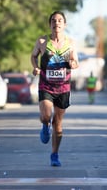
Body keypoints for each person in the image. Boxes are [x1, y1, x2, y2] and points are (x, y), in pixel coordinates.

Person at [30, 10, 79, 166]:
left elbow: (76, 62)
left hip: (63, 88)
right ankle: (45, 125)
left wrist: (73, 64)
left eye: (59, 20)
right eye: (53, 20)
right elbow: (33, 56)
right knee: (46, 116)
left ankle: (54, 154)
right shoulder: (42, 42)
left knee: (58, 124)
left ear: (64, 25)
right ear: (50, 24)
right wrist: (36, 67)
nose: (56, 23)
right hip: (46, 85)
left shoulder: (70, 43)